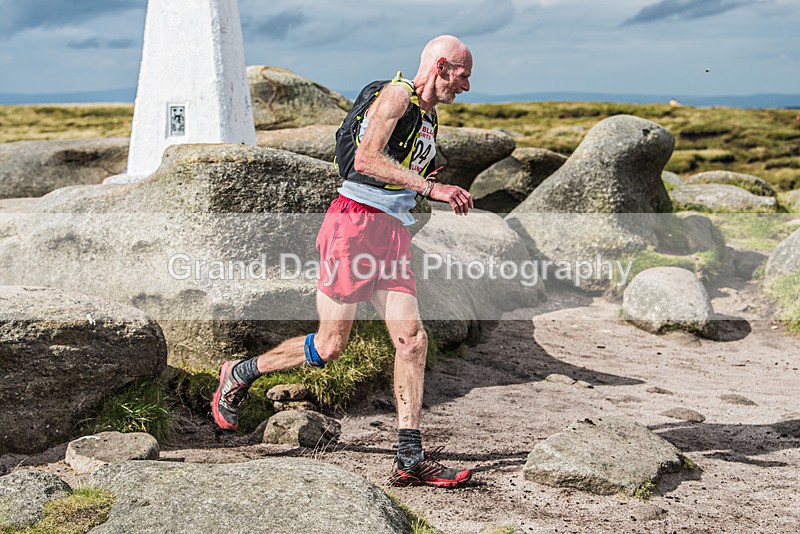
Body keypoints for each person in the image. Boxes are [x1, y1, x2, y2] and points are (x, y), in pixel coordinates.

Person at [212, 35, 474, 488]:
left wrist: (419, 181)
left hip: (390, 233)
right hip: (352, 226)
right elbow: (366, 160)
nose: (467, 86)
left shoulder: (428, 117)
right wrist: (431, 189)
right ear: (442, 66)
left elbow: (396, 167)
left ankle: (409, 457)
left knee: (411, 340)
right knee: (331, 345)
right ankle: (240, 372)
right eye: (463, 75)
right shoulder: (396, 95)